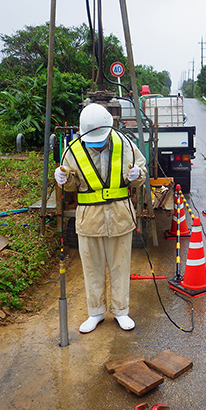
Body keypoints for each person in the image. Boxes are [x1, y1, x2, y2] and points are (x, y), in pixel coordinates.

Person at [54, 102, 147, 333]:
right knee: (92, 268)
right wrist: (64, 180)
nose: (98, 145)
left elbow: (139, 174)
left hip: (120, 217)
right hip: (90, 220)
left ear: (110, 129)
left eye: (101, 140)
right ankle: (95, 313)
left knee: (120, 267)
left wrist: (138, 175)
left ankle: (121, 311)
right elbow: (72, 186)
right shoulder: (72, 151)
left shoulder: (126, 145)